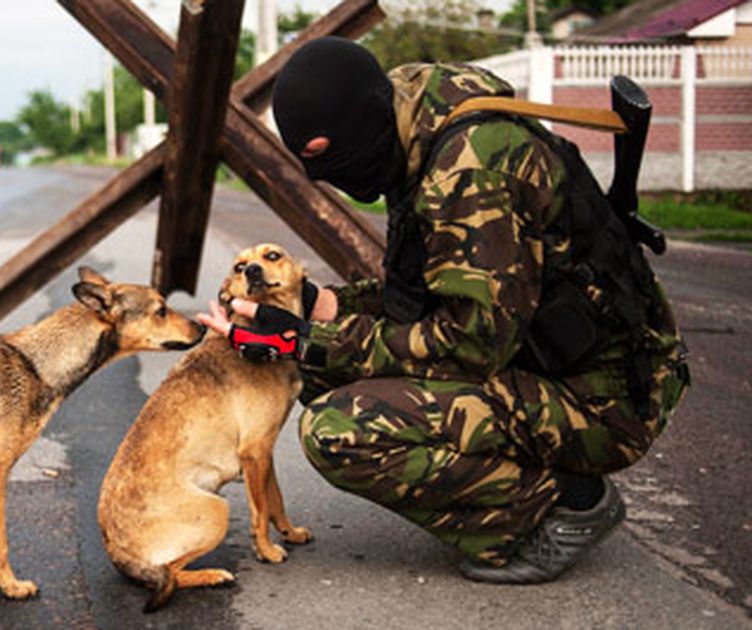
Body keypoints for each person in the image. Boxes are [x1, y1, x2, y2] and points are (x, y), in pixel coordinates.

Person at [197, 38, 690, 583]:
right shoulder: (413, 131)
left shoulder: (468, 170)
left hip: (606, 401)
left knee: (338, 429)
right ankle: (517, 479)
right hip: (543, 362)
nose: (325, 178)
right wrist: (315, 308)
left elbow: (471, 344)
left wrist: (307, 342)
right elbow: (423, 294)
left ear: (359, 126)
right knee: (319, 367)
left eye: (325, 155)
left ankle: (560, 504)